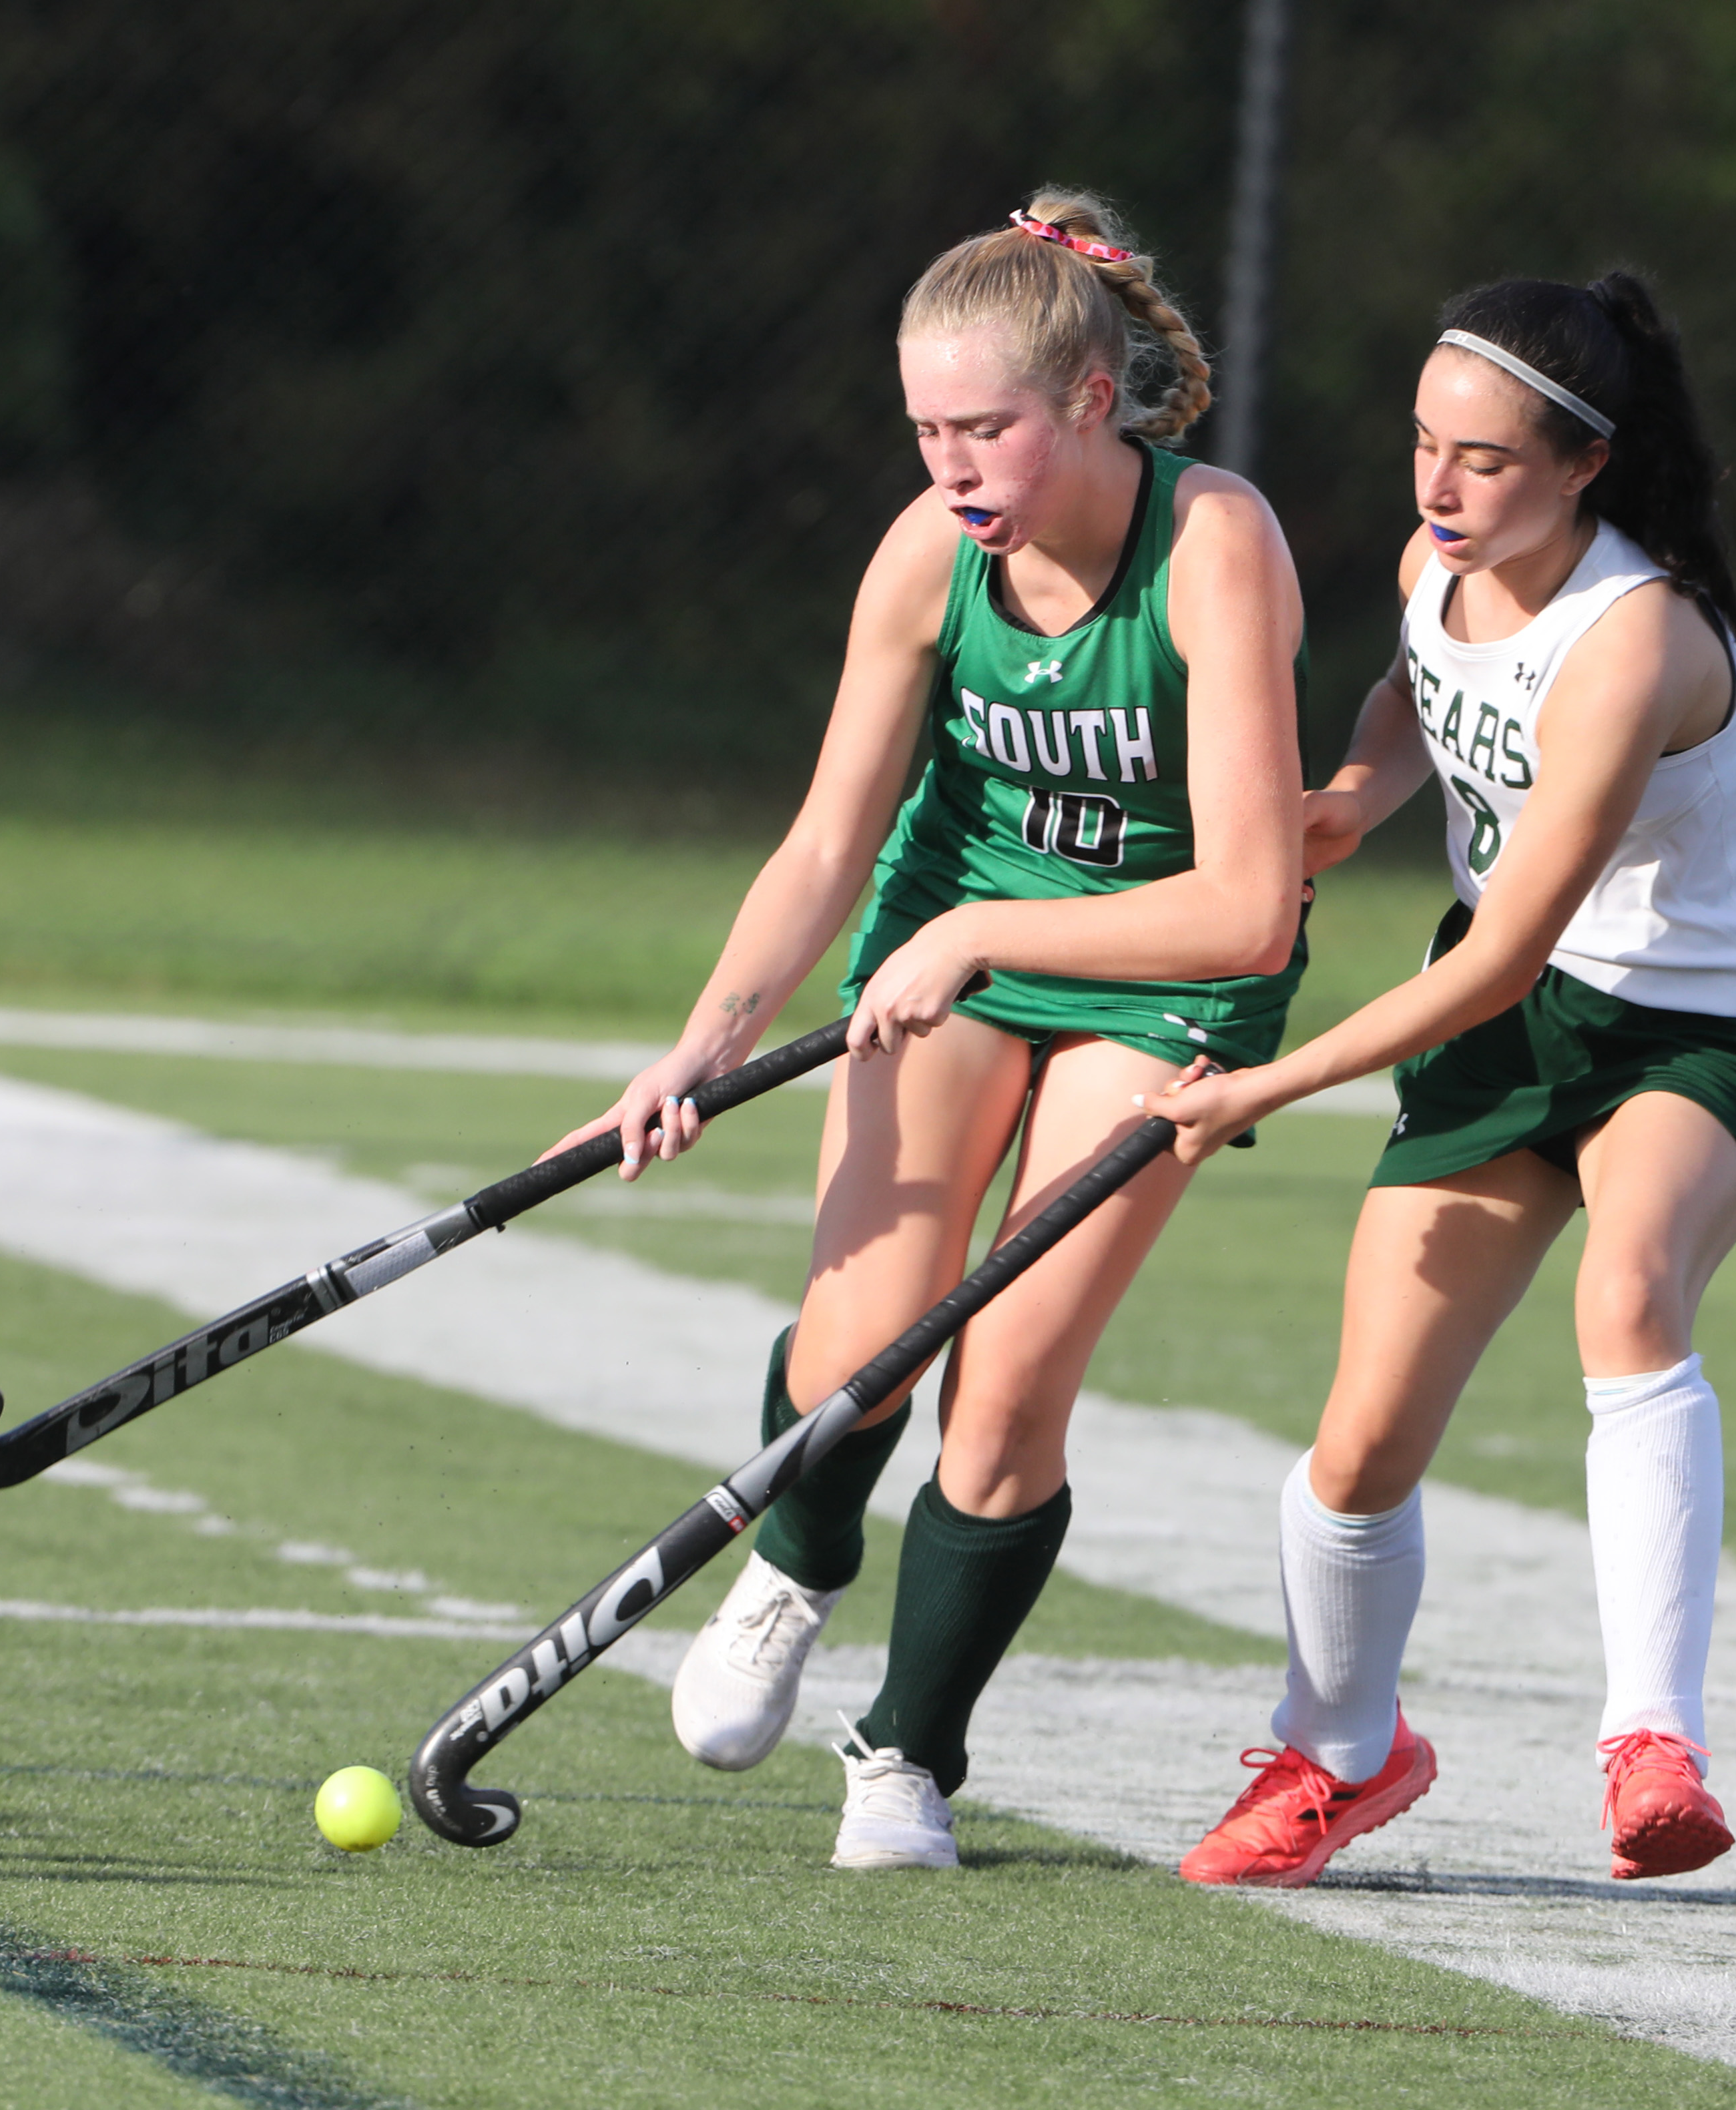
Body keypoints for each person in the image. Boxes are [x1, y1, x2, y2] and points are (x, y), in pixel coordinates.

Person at [545, 192, 1308, 1870]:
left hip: (1163, 975)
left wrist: (980, 929)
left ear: (1091, 402)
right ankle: (799, 1560)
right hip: (949, 947)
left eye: (986, 430)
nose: (952, 467)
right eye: (925, 432)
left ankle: (907, 1754)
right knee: (850, 1352)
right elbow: (827, 840)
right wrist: (698, 1045)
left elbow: (1250, 903)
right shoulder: (921, 554)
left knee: (1005, 1384)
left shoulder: (1216, 544)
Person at [1155, 272, 1736, 1889]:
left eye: (1486, 462)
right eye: (1424, 446)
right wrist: (1354, 799)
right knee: (1359, 1446)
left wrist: (1262, 1086)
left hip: (1681, 1032)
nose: (1439, 487)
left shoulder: (1636, 642)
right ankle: (1342, 1753)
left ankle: (1651, 1745)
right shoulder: (1435, 564)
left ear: (1582, 466)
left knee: (1630, 1293)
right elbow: (1411, 694)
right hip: (1503, 1037)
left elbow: (1501, 954)